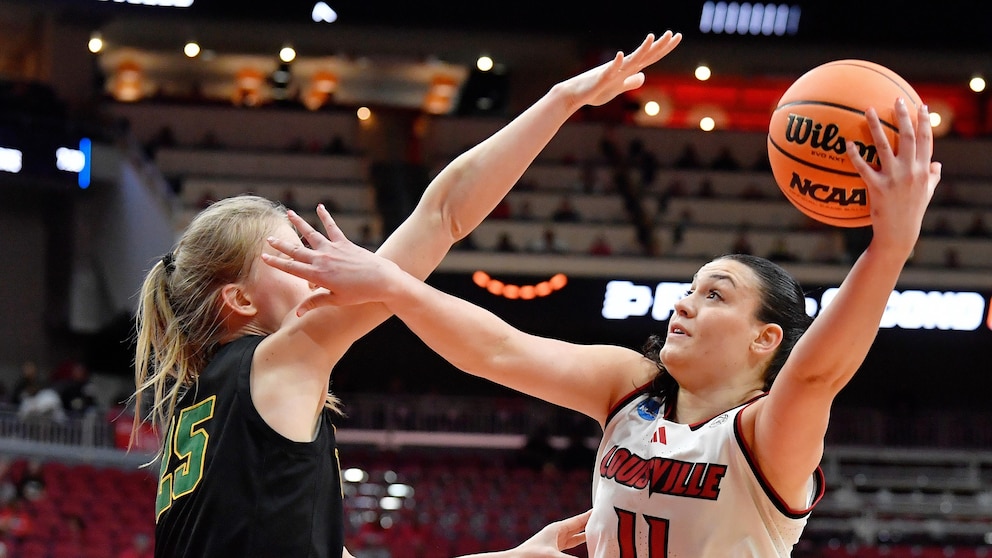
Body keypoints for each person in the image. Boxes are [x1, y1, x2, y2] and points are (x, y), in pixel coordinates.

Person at [264, 97, 940, 556]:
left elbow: (818, 372)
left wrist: (890, 247)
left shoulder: (764, 435)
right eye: (688, 290)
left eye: (714, 295)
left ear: (766, 338)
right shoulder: (631, 387)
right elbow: (498, 350)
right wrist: (391, 283)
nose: (684, 305)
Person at [130, 31, 683, 558]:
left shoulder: (205, 411)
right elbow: (442, 215)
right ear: (241, 300)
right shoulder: (275, 364)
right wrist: (560, 101)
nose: (320, 268)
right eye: (298, 254)